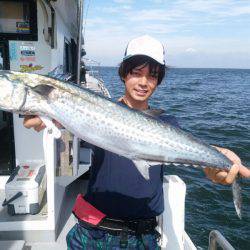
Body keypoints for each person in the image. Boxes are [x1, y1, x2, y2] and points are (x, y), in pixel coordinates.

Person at [23, 35, 250, 249]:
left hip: (144, 238)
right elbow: (70, 121)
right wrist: (51, 116)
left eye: (152, 75)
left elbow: (190, 150)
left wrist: (216, 162)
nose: (143, 82)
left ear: (158, 80)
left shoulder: (167, 123)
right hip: (95, 232)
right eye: (136, 73)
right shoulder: (96, 111)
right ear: (123, 73)